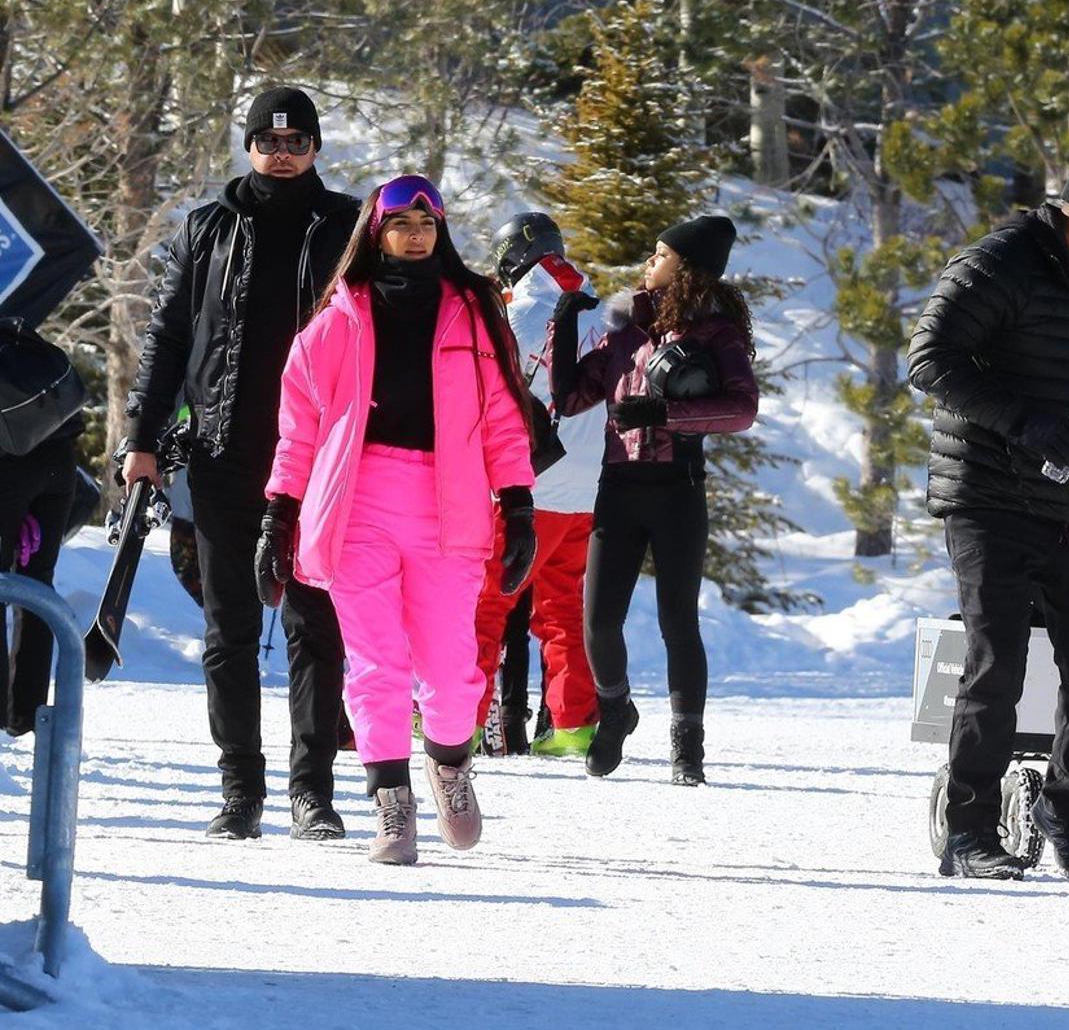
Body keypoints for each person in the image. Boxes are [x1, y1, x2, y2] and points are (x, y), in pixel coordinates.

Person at [258, 174, 536, 865]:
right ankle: (391, 804)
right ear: (375, 234)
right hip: (357, 505)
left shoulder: (473, 313)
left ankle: (449, 764)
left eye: (426, 224)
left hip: (450, 505)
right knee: (375, 664)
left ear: (441, 232)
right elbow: (297, 430)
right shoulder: (337, 319)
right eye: (400, 225)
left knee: (451, 665)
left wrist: (519, 504)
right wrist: (278, 515)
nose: (415, 236)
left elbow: (504, 420)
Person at [907, 153, 1069, 882]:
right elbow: (929, 358)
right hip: (987, 498)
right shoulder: (997, 263)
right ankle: (969, 833)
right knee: (998, 666)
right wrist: (1025, 423)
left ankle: (1064, 812)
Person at [121, 86, 355, 841]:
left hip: (318, 461)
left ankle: (311, 793)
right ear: (249, 146)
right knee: (229, 630)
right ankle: (240, 791)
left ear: (315, 148)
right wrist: (142, 438)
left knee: (314, 626)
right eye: (268, 141)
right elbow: (166, 338)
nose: (281, 154)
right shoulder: (207, 226)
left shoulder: (349, 226)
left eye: (296, 141)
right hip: (223, 453)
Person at [548, 214, 759, 785]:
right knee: (597, 621)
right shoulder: (625, 329)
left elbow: (742, 409)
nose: (649, 263)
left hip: (678, 489)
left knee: (677, 622)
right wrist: (564, 328)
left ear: (686, 269)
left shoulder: (716, 333)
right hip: (618, 488)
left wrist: (664, 413)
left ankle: (688, 746)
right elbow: (570, 399)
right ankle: (616, 709)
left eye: (660, 255)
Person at [472, 212, 605, 757]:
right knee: (563, 605)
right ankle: (573, 724)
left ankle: (458, 717)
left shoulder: (520, 314)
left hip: (531, 483)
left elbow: (488, 392)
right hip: (590, 484)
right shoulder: (603, 311)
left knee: (486, 601)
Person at [0, 326, 85, 737]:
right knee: (36, 587)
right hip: (59, 464)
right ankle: (28, 715)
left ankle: (1, 719)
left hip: (9, 469)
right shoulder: (18, 336)